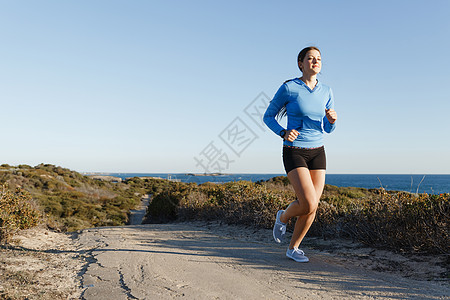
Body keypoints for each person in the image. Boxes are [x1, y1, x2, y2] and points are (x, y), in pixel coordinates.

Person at [263, 46, 337, 262]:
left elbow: (328, 129)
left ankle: (293, 248)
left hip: (318, 151)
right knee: (308, 203)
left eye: (319, 59)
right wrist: (283, 132)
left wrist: (332, 121)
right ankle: (283, 216)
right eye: (311, 58)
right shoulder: (289, 88)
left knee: (313, 205)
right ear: (300, 63)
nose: (315, 61)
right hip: (294, 150)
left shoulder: (327, 91)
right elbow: (268, 116)